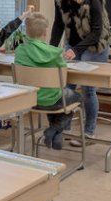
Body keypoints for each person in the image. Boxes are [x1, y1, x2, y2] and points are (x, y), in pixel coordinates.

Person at [50, 0, 111, 145]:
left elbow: (96, 32)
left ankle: (89, 133)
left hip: (95, 46)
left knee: (87, 89)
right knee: (68, 86)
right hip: (72, 43)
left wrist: (75, 50)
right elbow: (58, 25)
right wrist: (51, 50)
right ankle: (65, 129)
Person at [15, 13, 83, 149]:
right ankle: (54, 129)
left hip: (30, 100)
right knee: (78, 97)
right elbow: (63, 76)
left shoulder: (20, 50)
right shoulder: (55, 53)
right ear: (45, 32)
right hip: (52, 99)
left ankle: (55, 135)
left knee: (53, 97)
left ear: (27, 32)